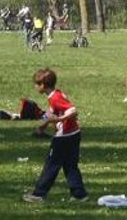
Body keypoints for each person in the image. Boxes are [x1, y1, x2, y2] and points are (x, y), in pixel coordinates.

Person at [23, 68, 88, 203]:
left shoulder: (55, 98)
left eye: (36, 84)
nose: (35, 87)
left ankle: (39, 194)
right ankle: (79, 194)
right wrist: (44, 125)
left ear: (43, 85)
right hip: (74, 134)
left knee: (51, 165)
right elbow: (53, 113)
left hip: (64, 137)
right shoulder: (56, 94)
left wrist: (58, 120)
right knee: (70, 166)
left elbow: (73, 111)